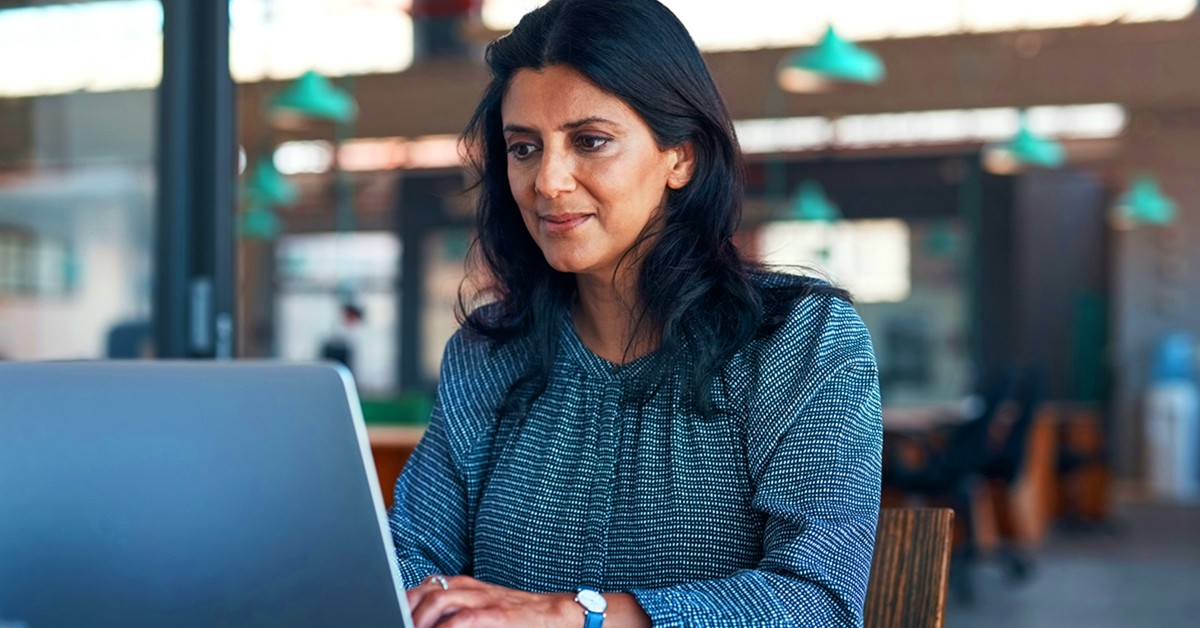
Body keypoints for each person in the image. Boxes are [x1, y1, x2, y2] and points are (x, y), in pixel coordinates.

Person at [389, 0, 883, 626]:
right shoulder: (487, 354)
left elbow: (820, 603)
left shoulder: (800, 342)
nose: (548, 181)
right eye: (523, 148)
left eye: (590, 141)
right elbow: (407, 561)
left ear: (682, 157)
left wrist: (578, 616)